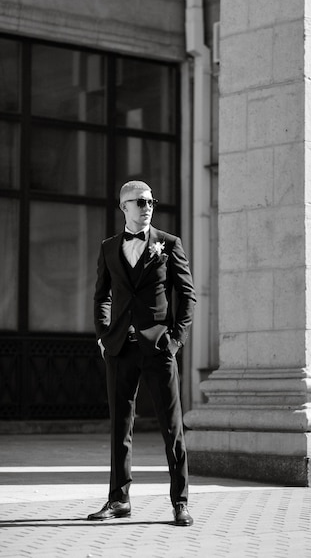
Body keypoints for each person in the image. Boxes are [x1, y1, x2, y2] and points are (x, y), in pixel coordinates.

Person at [88, 180, 196, 526]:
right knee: (120, 426)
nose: (147, 206)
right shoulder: (108, 248)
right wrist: (104, 335)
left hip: (159, 348)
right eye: (139, 201)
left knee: (171, 427)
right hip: (120, 348)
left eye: (151, 201)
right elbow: (102, 294)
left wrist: (176, 340)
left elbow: (187, 295)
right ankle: (118, 499)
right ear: (124, 208)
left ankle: (180, 501)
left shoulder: (169, 244)